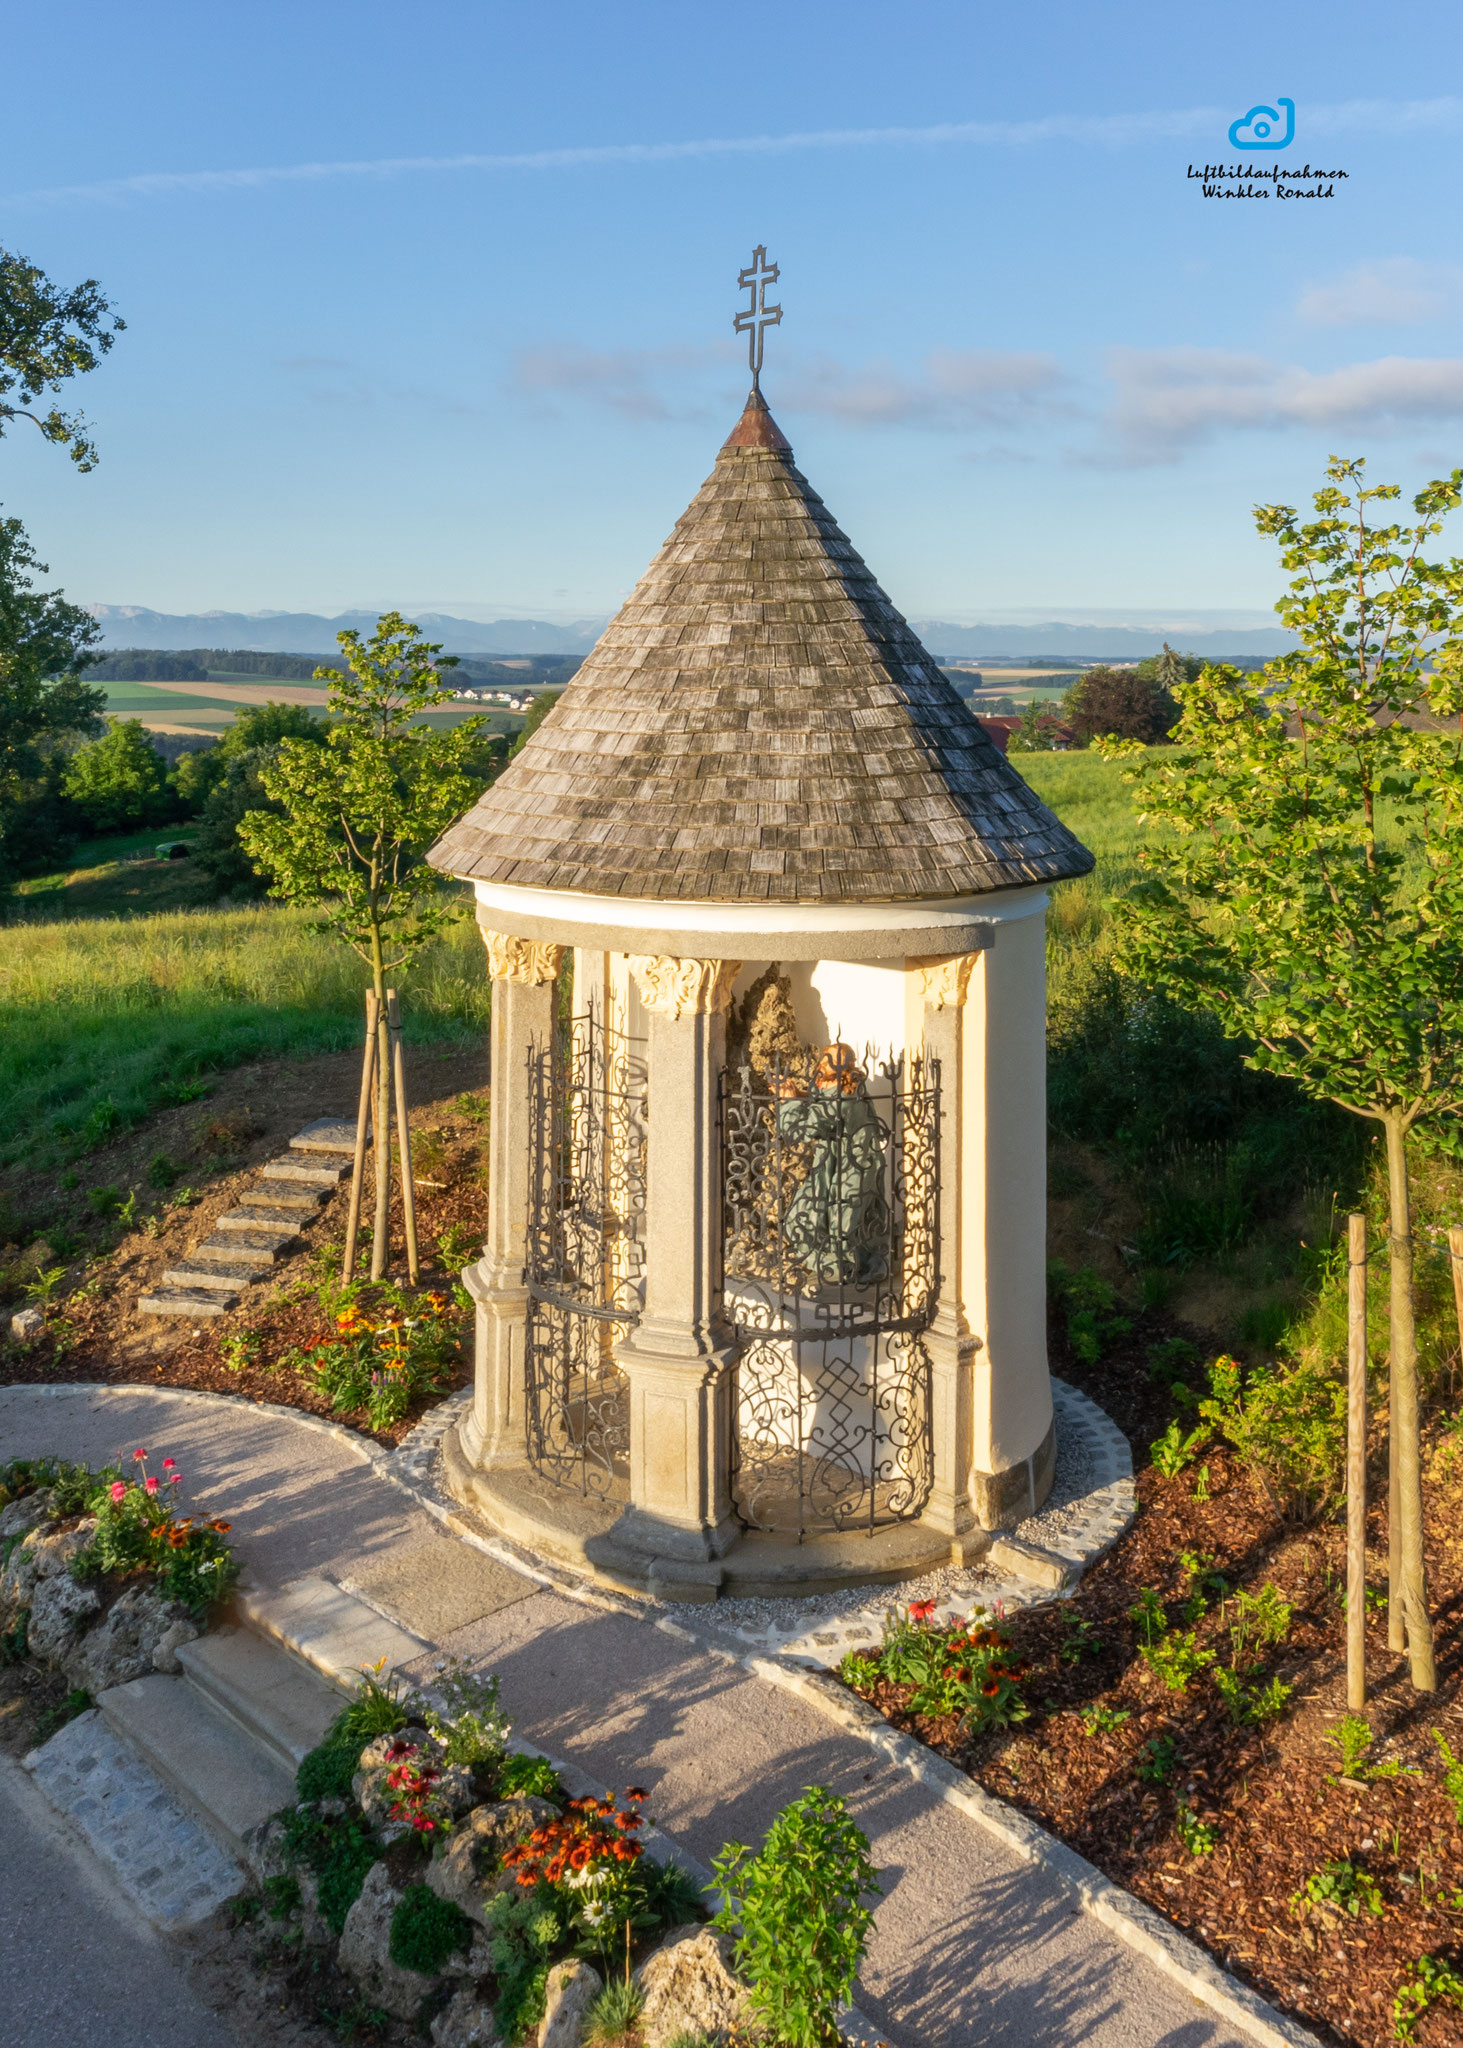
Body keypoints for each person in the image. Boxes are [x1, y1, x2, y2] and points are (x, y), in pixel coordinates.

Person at [773, 1042, 889, 1285]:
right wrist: (800, 1095)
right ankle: (834, 1267)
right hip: (834, 1164)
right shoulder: (840, 1088)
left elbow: (802, 1131)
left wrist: (789, 1102)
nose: (823, 1063)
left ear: (847, 1067)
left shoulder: (846, 1095)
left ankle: (838, 1271)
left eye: (832, 1060)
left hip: (854, 1168)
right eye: (824, 1058)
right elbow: (822, 1103)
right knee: (801, 1217)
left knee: (842, 1226)